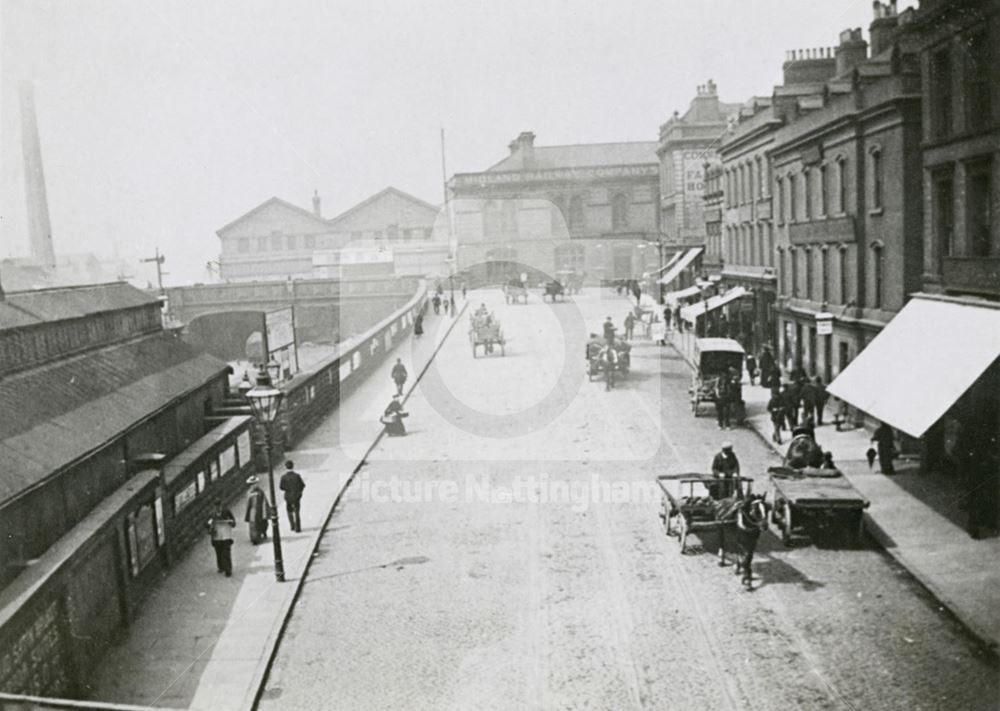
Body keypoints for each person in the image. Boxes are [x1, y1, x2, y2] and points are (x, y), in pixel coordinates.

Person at [207, 499, 236, 576]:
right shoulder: (212, 514)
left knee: (226, 553)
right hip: (216, 537)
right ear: (214, 507)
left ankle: (228, 570)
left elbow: (233, 522)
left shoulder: (226, 512)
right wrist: (210, 525)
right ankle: (221, 566)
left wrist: (230, 522)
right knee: (219, 552)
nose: (218, 508)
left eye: (219, 506)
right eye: (216, 506)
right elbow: (207, 523)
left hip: (226, 535)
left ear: (221, 505)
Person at [279, 461, 306, 532]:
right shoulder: (297, 476)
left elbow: (281, 487)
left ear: (285, 467)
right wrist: (299, 492)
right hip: (296, 497)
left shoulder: (284, 477)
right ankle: (298, 528)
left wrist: (287, 489)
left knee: (289, 511)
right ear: (293, 466)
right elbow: (302, 485)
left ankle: (292, 526)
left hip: (288, 497)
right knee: (297, 511)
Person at [244, 476, 268, 545]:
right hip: (253, 510)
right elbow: (248, 503)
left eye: (255, 483)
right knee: (253, 525)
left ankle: (262, 533)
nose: (254, 485)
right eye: (252, 484)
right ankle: (255, 538)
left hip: (260, 509)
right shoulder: (249, 492)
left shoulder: (260, 491)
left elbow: (264, 500)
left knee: (262, 522)